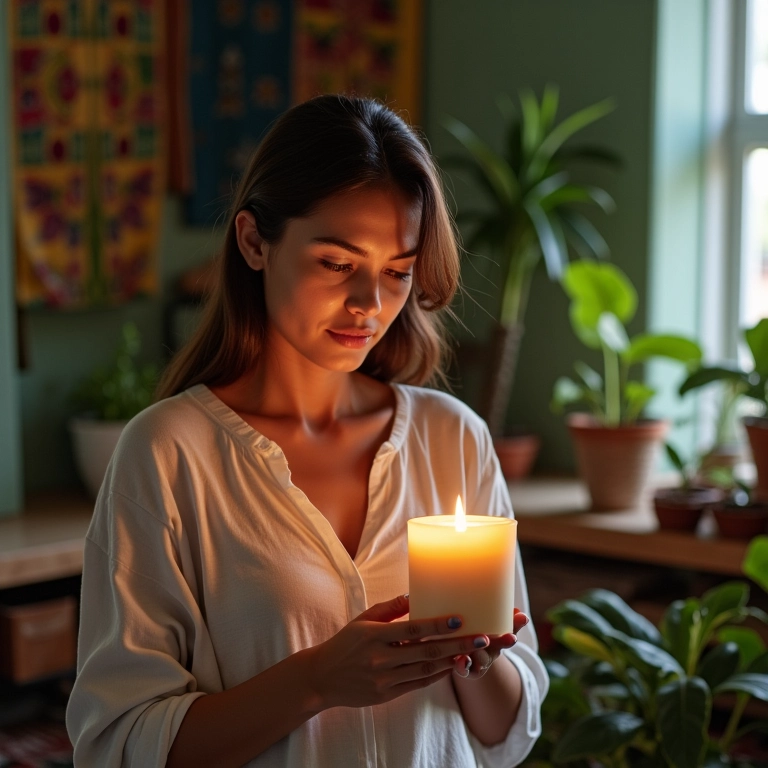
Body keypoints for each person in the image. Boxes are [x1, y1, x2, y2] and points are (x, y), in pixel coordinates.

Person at [66, 94, 549, 768]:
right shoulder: (169, 455)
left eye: (397, 272)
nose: (370, 304)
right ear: (253, 242)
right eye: (336, 263)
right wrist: (317, 681)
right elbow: (119, 743)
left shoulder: (453, 439)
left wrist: (473, 658)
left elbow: (509, 734)